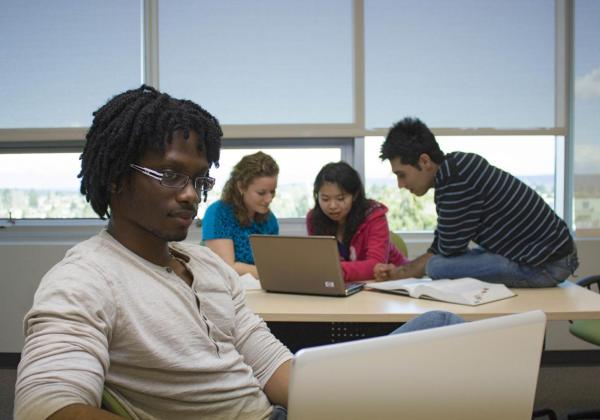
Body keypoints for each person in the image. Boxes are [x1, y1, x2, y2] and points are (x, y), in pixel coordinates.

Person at [13, 88, 465, 420]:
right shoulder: (86, 278)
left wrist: (350, 399)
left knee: (443, 328)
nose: (191, 195)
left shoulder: (207, 264)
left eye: (199, 180)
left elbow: (270, 364)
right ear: (115, 177)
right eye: (170, 174)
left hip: (277, 409)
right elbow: (46, 406)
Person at [374, 117, 579, 288]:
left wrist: (401, 273)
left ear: (425, 161)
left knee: (437, 267)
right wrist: (403, 271)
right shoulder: (454, 171)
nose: (400, 184)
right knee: (438, 263)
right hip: (543, 256)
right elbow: (442, 245)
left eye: (402, 175)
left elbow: (447, 251)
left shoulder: (457, 180)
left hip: (544, 265)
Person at [307, 161, 409, 282]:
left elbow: (375, 265)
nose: (332, 205)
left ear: (355, 195)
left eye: (340, 198)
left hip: (396, 283)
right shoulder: (314, 219)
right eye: (325, 199)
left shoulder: (374, 215)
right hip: (350, 285)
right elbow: (323, 263)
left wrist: (334, 270)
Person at [202, 151, 279, 279]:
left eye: (272, 191)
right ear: (241, 187)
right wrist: (271, 273)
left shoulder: (270, 220)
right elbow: (226, 268)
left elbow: (270, 264)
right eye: (261, 193)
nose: (269, 199)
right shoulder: (218, 213)